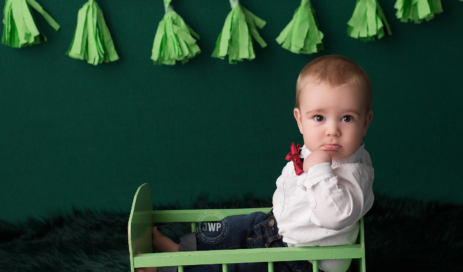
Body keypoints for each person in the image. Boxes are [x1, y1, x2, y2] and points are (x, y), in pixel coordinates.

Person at [135, 54, 375, 272]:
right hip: (275, 226)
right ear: (300, 121)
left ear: (365, 122)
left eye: (347, 118)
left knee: (234, 266)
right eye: (319, 118)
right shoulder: (314, 149)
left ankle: (166, 270)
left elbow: (333, 217)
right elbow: (289, 180)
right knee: (229, 228)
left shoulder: (355, 174)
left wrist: (320, 168)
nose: (332, 130)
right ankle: (179, 251)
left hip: (299, 259)